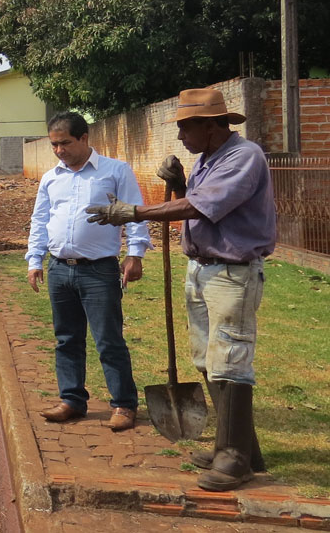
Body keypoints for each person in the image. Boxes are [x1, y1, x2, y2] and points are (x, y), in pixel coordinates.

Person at [86, 88, 274, 491]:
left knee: (231, 357)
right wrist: (184, 182)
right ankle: (239, 447)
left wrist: (133, 212)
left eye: (186, 128)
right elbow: (203, 203)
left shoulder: (244, 157)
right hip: (204, 269)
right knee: (208, 359)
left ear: (211, 126)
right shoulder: (210, 159)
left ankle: (235, 458)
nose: (180, 138)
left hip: (231, 273)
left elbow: (200, 208)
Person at [27, 112, 150, 433]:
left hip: (99, 271)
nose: (58, 151)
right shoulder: (51, 177)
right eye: (54, 145)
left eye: (64, 143)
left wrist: (135, 254)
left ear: (84, 138)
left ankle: (124, 404)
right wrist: (34, 259)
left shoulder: (114, 171)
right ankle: (72, 400)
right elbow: (40, 221)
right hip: (59, 269)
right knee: (66, 339)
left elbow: (134, 214)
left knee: (108, 340)